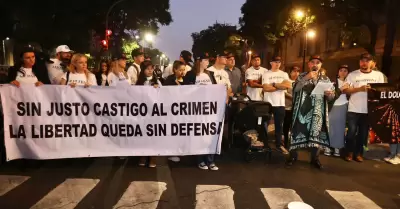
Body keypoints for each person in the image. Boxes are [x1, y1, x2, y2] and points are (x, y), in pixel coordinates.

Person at [287, 55, 335, 169]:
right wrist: (306, 78)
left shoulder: (325, 79)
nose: (315, 64)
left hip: (317, 112)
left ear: (320, 65)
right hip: (302, 112)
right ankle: (293, 156)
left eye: (317, 62)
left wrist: (329, 95)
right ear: (309, 64)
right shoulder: (302, 76)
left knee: (316, 135)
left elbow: (331, 98)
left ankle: (315, 158)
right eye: (312, 62)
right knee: (298, 132)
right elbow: (295, 90)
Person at [343, 53, 386, 162]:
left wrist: (374, 91)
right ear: (359, 62)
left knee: (363, 134)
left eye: (367, 61)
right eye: (362, 60)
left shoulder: (378, 76)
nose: (364, 63)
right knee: (351, 133)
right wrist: (359, 89)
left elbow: (383, 91)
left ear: (372, 63)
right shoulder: (352, 75)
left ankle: (358, 154)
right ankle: (349, 152)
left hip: (369, 110)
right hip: (353, 109)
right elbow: (345, 90)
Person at [185, 52, 219, 171]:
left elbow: (215, 89)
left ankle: (210, 160)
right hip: (197, 111)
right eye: (206, 60)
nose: (208, 62)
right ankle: (200, 160)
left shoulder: (210, 74)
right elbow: (184, 92)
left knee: (210, 134)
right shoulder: (190, 75)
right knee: (200, 135)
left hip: (210, 109)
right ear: (199, 61)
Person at [262, 56, 292, 154]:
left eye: (279, 62)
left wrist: (274, 84)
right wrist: (280, 86)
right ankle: (265, 144)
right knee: (264, 125)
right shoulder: (266, 74)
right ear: (271, 63)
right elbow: (265, 88)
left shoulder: (284, 74)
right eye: (275, 62)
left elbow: (288, 86)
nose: (278, 63)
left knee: (279, 126)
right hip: (268, 103)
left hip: (280, 104)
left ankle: (279, 145)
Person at [136, 60, 161, 168]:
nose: (150, 70)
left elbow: (163, 95)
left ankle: (152, 156)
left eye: (152, 68)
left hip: (153, 113)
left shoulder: (157, 82)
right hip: (142, 114)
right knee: (143, 135)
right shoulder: (139, 83)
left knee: (153, 135)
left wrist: (157, 89)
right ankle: (143, 155)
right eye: (148, 68)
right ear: (143, 70)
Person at [325, 65, 350, 157]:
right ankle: (328, 146)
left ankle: (337, 147)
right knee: (330, 127)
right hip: (333, 105)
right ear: (338, 72)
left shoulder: (349, 82)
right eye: (341, 70)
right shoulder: (333, 82)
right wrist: (341, 89)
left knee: (340, 128)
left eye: (345, 71)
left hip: (344, 105)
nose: (343, 72)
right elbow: (331, 95)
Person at [283, 66, 300, 150]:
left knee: (294, 127)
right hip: (287, 108)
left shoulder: (300, 82)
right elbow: (284, 93)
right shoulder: (287, 81)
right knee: (286, 126)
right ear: (290, 72)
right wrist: (295, 98)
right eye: (294, 71)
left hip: (297, 108)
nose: (296, 73)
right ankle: (285, 142)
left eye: (298, 71)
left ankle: (294, 143)